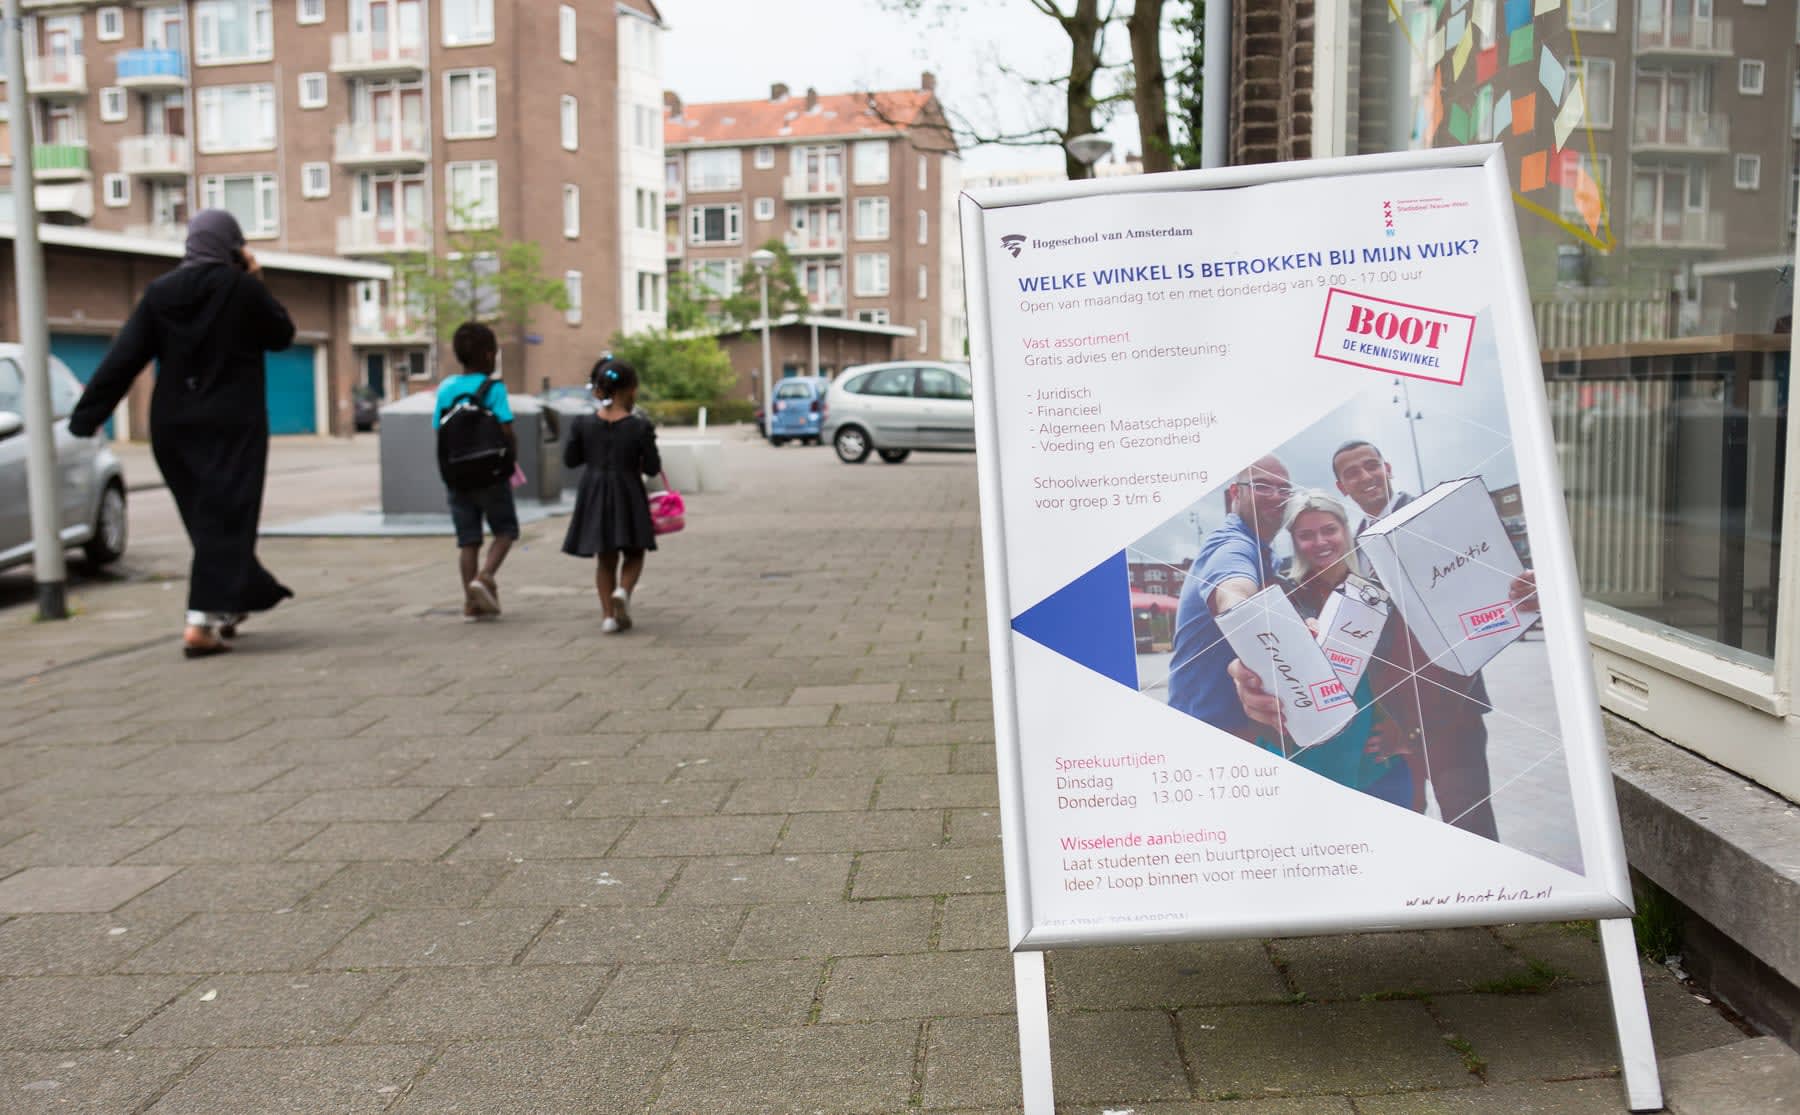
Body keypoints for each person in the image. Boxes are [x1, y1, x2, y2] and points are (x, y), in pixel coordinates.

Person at [67, 209, 296, 658]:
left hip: (173, 426)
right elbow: (282, 335)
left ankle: (233, 601)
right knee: (227, 517)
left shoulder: (160, 293)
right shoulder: (243, 289)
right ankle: (201, 622)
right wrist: (255, 277)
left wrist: (86, 416)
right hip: (232, 424)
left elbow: (124, 358)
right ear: (233, 246)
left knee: (207, 519)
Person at [1326, 439, 1538, 838]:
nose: (1366, 476)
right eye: (1352, 472)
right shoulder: (1350, 548)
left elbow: (1492, 584)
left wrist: (1524, 588)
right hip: (1391, 723)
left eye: (1372, 466)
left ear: (1387, 468)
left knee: (1471, 827)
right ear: (1342, 487)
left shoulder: (1436, 518)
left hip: (1452, 712)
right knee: (1411, 832)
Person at [1248, 491, 1418, 808]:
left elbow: (1406, 670)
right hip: (1307, 758)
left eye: (1329, 529)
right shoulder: (1280, 593)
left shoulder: (1378, 594)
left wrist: (1407, 729)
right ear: (1295, 542)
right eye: (1307, 535)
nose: (1321, 541)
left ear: (1345, 530)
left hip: (1374, 762)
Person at [1167, 455, 1292, 739]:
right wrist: (1247, 617)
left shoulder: (1264, 553)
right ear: (1235, 493)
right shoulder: (1231, 544)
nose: (1276, 496)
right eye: (1262, 486)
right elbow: (1233, 592)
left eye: (1284, 489)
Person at [562, 356, 661, 633]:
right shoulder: (640, 426)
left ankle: (608, 617)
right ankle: (624, 592)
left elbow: (570, 460)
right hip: (628, 490)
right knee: (635, 551)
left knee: (605, 558)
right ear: (632, 389)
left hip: (594, 492)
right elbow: (653, 467)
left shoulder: (582, 424)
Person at [434, 322, 519, 621]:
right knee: (505, 531)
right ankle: (485, 577)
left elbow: (439, 431)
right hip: (491, 474)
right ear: (488, 354)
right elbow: (506, 429)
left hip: (457, 476)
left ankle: (471, 604)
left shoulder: (445, 389)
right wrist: (510, 462)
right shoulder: (494, 389)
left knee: (468, 540)